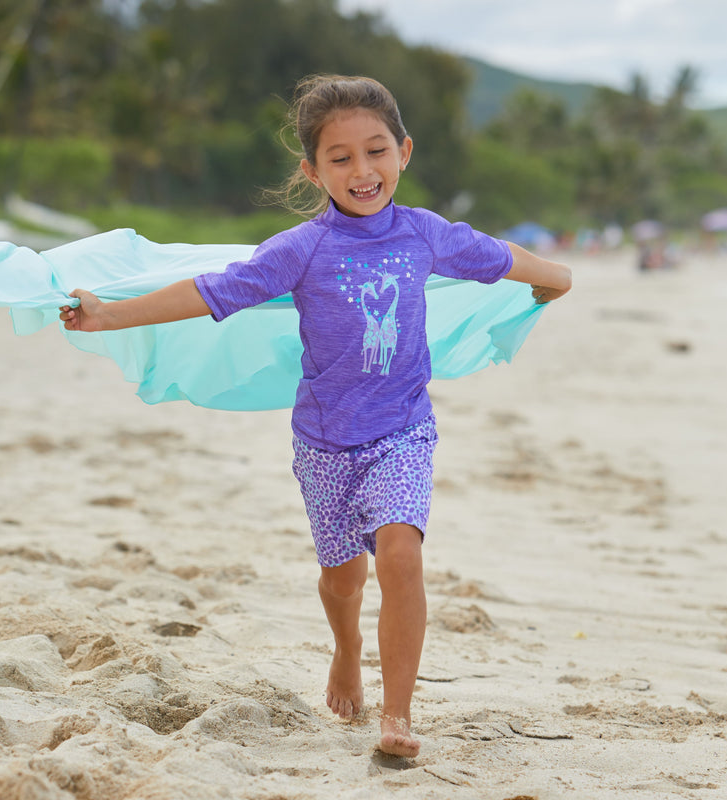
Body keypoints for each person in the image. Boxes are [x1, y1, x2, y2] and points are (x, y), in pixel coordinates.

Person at [59, 74, 571, 758]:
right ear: (312, 169)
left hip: (402, 431)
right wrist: (110, 315)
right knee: (342, 578)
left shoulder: (425, 235)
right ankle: (346, 647)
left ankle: (398, 717)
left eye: (376, 150)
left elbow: (501, 258)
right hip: (326, 443)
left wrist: (554, 280)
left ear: (404, 152)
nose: (363, 171)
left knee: (401, 554)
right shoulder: (301, 249)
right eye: (341, 157)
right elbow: (215, 292)